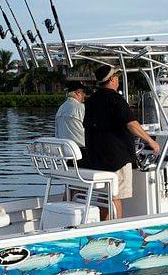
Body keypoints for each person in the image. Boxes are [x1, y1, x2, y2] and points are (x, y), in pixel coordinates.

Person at [84, 65, 161, 219]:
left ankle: (102, 225)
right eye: (117, 76)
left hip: (96, 157)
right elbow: (131, 124)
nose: (118, 78)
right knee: (115, 196)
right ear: (112, 79)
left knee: (105, 196)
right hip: (116, 158)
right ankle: (117, 229)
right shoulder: (115, 99)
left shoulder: (92, 100)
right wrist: (150, 142)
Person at [55, 81, 88, 163]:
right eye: (84, 93)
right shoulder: (81, 108)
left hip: (67, 156)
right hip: (83, 155)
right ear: (78, 92)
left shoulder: (60, 109)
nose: (85, 96)